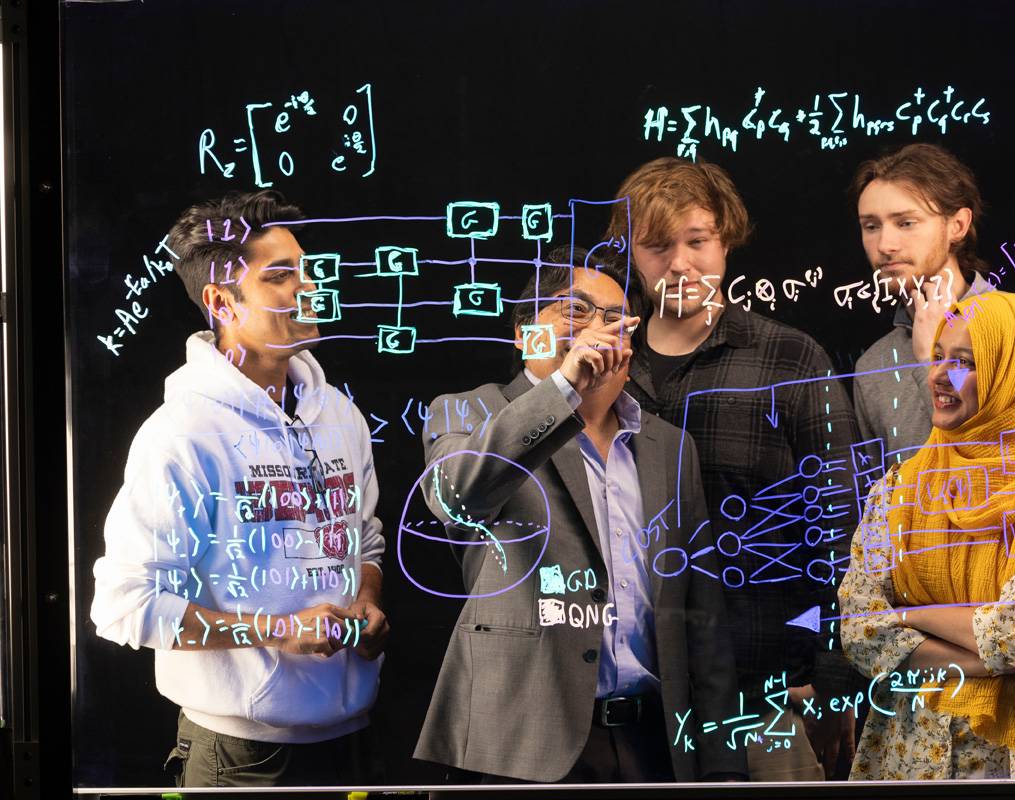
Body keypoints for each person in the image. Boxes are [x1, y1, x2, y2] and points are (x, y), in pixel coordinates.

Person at [413, 247, 746, 784]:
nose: (597, 330)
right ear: (524, 335)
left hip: (652, 743)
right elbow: (455, 497)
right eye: (575, 311)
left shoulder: (670, 447)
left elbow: (700, 616)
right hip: (520, 742)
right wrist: (564, 386)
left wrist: (724, 764)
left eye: (615, 319)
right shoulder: (468, 410)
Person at [91, 190, 389, 787]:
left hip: (353, 741)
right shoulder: (183, 432)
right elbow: (125, 605)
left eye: (306, 269)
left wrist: (366, 599)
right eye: (281, 276)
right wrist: (280, 630)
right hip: (242, 758)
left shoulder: (340, 415)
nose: (309, 286)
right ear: (221, 301)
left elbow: (366, 539)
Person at [609, 157, 862, 780]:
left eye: (697, 242)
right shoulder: (602, 366)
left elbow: (847, 522)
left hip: (769, 697)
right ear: (630, 253)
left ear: (726, 241)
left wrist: (833, 679)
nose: (680, 264)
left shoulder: (790, 357)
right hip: (633, 702)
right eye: (657, 246)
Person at [839, 291, 1015, 779]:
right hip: (912, 755)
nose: (939, 377)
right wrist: (989, 656)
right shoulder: (900, 490)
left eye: (965, 362)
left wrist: (910, 616)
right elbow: (860, 629)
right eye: (939, 356)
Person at [850, 143, 1015, 466]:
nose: (885, 245)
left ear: (957, 225)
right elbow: (884, 499)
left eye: (906, 223)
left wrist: (933, 358)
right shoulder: (873, 367)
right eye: (871, 226)